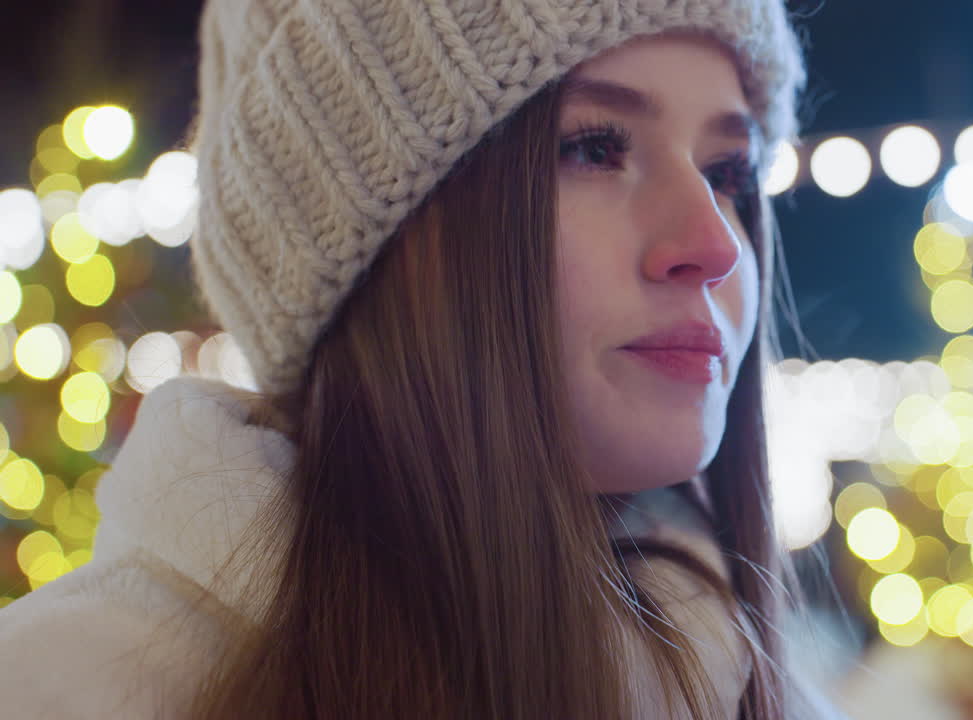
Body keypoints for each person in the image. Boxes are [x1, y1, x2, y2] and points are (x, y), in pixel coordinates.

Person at [0, 1, 848, 718]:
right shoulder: (66, 686)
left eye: (728, 171)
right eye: (594, 148)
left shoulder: (752, 685)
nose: (713, 244)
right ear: (379, 241)